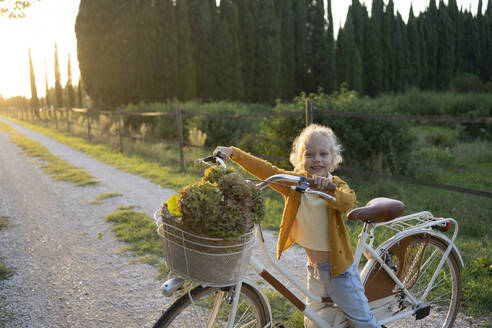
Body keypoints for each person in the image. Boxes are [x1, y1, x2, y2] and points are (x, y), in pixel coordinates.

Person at [214, 124, 382, 328]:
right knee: (315, 321)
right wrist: (234, 153)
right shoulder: (296, 184)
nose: (317, 159)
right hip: (315, 270)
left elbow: (347, 202)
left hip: (340, 272)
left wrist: (328, 189)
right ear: (301, 159)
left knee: (362, 321)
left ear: (333, 159)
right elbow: (268, 170)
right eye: (310, 154)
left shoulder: (336, 185)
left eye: (323, 154)